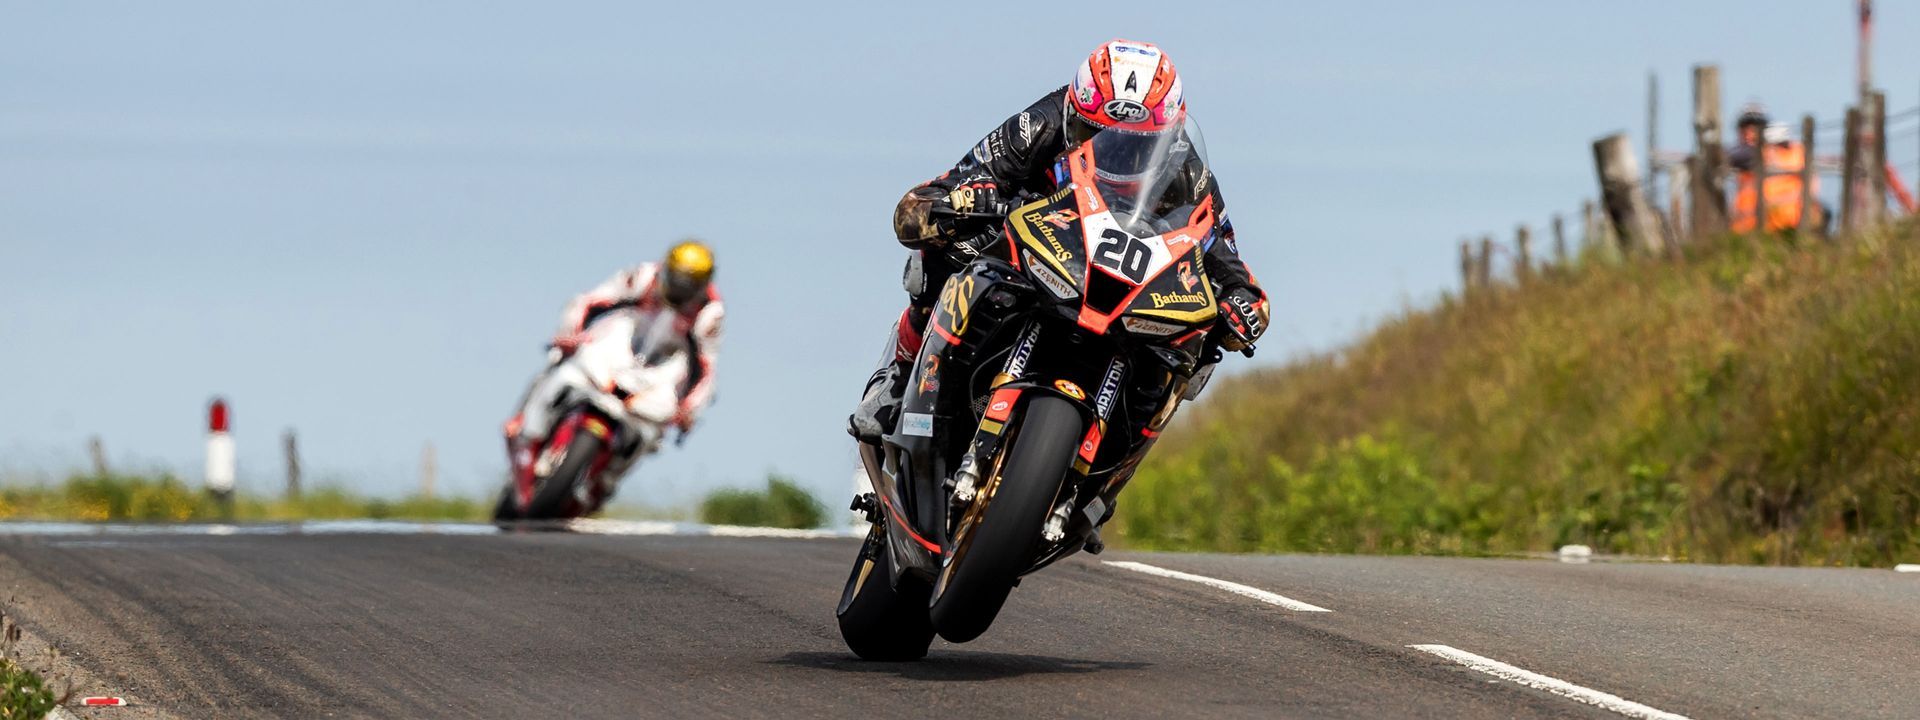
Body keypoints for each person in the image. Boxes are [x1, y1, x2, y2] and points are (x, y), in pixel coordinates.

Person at [849, 39, 1269, 440]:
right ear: (1073, 113)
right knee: (945, 248)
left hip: (1126, 295)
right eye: (1095, 135)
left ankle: (1110, 473)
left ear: (1170, 137)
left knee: (1198, 344)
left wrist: (1244, 304)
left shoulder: (1190, 175)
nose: (1115, 154)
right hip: (1037, 257)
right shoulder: (1039, 125)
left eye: (1136, 147)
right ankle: (902, 375)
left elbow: (1228, 260)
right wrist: (957, 202)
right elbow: (924, 203)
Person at [550, 239, 725, 439]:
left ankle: (620, 455)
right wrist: (570, 333)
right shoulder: (645, 276)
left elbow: (706, 369)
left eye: (686, 287)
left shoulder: (709, 314)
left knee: (659, 427)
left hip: (655, 377)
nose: (678, 290)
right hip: (612, 349)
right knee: (563, 364)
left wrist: (688, 410)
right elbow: (591, 300)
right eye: (676, 281)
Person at [1729, 105, 1823, 233]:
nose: (1749, 134)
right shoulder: (1798, 151)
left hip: (1778, 226)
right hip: (1753, 227)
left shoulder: (1762, 153)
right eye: (1746, 129)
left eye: (1754, 128)